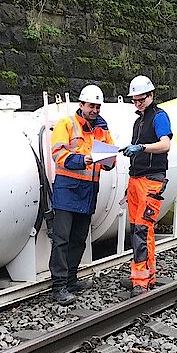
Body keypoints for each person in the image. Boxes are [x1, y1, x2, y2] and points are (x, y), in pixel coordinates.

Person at [49, 84, 116, 305]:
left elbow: (111, 159)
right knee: (62, 240)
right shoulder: (67, 124)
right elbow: (58, 154)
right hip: (67, 189)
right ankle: (59, 286)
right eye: (91, 106)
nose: (94, 110)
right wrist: (82, 160)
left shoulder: (102, 129)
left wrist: (109, 161)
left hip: (88, 191)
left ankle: (70, 280)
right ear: (81, 105)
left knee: (78, 239)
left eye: (97, 106)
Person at [121, 75, 172, 297]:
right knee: (139, 229)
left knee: (142, 229)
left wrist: (141, 147)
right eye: (135, 100)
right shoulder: (139, 121)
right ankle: (144, 275)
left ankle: (140, 281)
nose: (138, 103)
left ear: (151, 95)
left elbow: (165, 144)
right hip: (137, 180)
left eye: (141, 99)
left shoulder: (159, 117)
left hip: (151, 181)